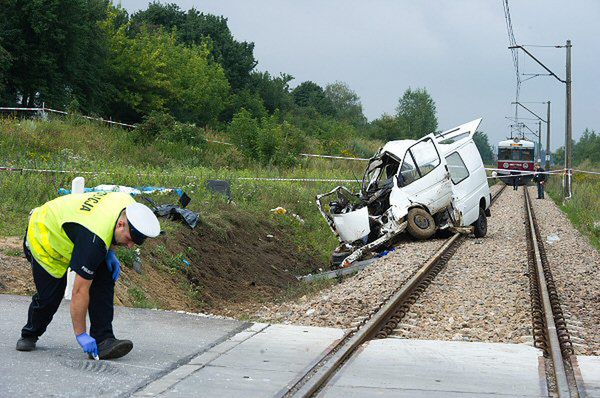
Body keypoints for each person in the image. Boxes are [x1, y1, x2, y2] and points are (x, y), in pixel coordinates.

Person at [16, 192, 160, 360]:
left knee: (104, 277)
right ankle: (30, 333)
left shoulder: (128, 205)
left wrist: (109, 253)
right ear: (121, 224)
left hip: (77, 234)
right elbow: (79, 291)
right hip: (46, 237)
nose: (129, 246)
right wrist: (81, 334)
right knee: (50, 297)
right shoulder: (94, 239)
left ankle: (104, 340)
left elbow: (107, 226)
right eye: (128, 239)